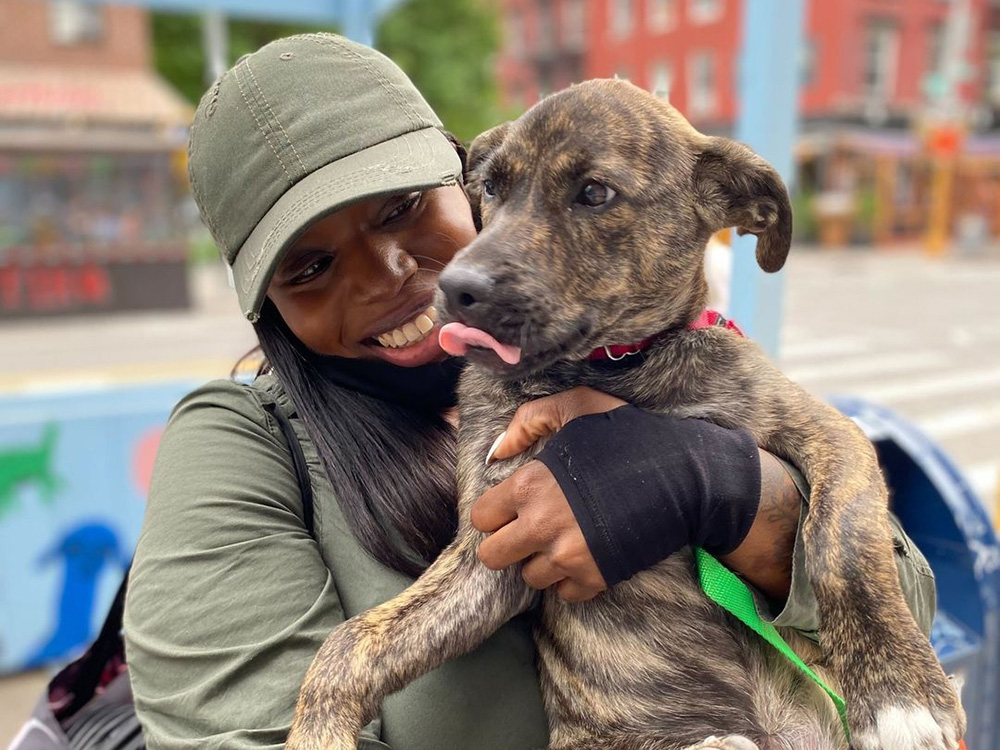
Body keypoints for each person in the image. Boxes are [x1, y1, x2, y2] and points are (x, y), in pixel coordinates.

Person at [123, 34, 936, 750]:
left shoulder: (689, 353)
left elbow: (908, 602)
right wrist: (344, 677)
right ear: (270, 308)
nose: (391, 276)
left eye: (403, 208)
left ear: (460, 178)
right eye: (311, 267)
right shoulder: (244, 443)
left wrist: (724, 486)